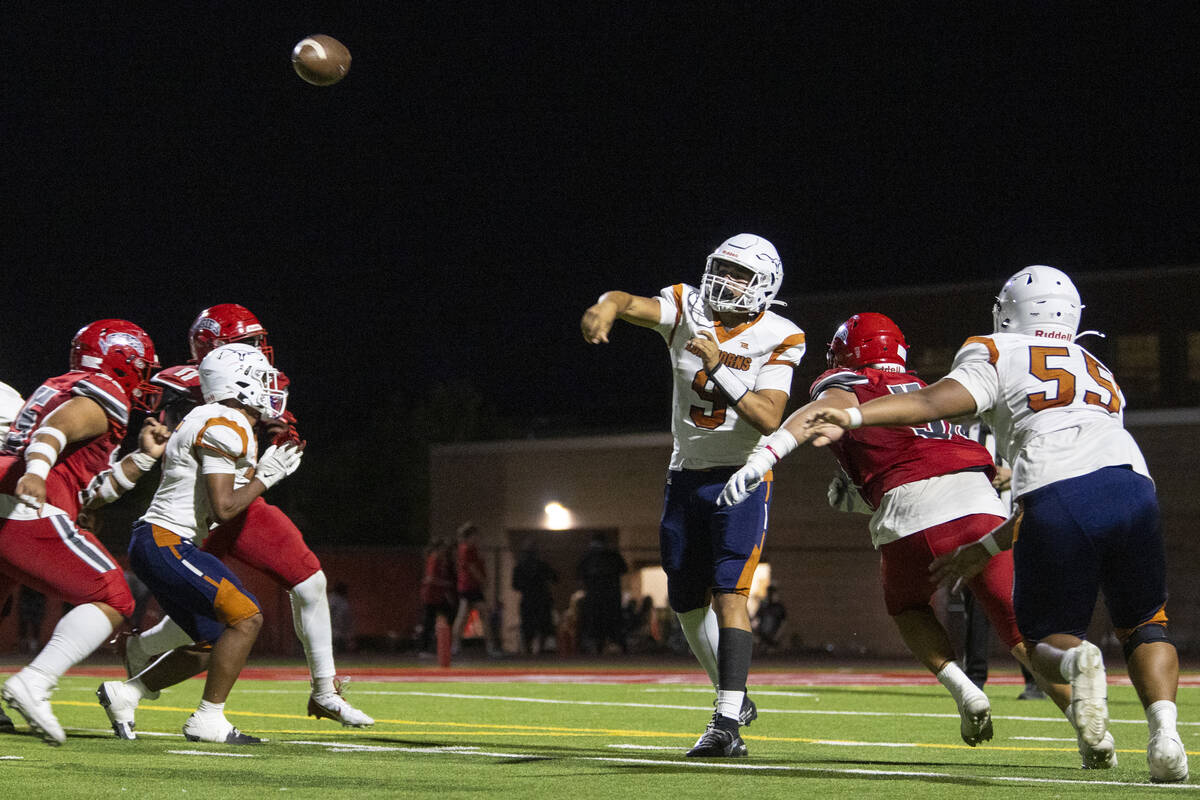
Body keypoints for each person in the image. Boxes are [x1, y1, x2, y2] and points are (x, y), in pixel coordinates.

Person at [788, 267, 1187, 783]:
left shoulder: (995, 350)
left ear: (1010, 311)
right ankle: (1167, 737)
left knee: (1044, 636)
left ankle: (1074, 663)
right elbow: (1093, 464)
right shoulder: (1097, 368)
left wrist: (857, 418)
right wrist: (989, 543)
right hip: (1134, 483)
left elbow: (932, 402)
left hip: (1051, 486)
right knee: (1145, 623)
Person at [720, 312, 1081, 753]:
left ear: (850, 351)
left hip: (913, 508)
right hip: (980, 501)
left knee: (908, 606)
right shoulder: (921, 388)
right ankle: (1087, 726)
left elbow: (815, 414)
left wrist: (764, 457)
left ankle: (964, 690)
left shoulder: (846, 380)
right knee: (1019, 631)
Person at [581, 233, 806, 757]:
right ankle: (735, 698)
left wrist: (721, 367)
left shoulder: (781, 333)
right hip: (685, 473)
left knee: (730, 592)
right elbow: (630, 301)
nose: (726, 282)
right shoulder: (687, 305)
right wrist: (605, 307)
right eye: (722, 268)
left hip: (742, 475)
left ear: (766, 284)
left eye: (741, 275)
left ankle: (726, 722)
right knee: (684, 601)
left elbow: (770, 417)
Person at [110, 304, 372, 728]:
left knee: (306, 582)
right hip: (210, 504)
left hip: (237, 499)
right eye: (247, 344)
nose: (258, 352)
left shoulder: (252, 384)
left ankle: (325, 690)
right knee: (226, 615)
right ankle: (164, 673)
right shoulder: (187, 388)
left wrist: (280, 438)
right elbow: (169, 440)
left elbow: (284, 430)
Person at [97, 343, 303, 744]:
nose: (269, 387)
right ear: (238, 383)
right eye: (261, 378)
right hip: (167, 540)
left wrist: (259, 472)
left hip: (159, 541)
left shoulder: (209, 416)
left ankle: (128, 693)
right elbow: (225, 507)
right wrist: (267, 478)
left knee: (215, 640)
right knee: (248, 618)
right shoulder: (226, 422)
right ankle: (208, 719)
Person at [0, 319, 169, 745]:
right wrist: (36, 473)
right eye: (141, 367)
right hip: (21, 500)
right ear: (122, 362)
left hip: (10, 494)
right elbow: (52, 432)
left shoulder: (62, 385)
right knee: (113, 595)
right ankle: (35, 682)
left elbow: (88, 490)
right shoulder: (104, 391)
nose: (144, 379)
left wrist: (143, 459)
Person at [451, 522, 499, 657]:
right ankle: (456, 645)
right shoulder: (467, 549)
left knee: (471, 615)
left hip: (471, 586)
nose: (477, 538)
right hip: (469, 587)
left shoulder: (469, 549)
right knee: (469, 616)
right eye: (475, 536)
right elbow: (472, 568)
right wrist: (483, 581)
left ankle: (456, 645)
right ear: (470, 536)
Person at [576, 533, 628, 655]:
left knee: (596, 622)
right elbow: (624, 569)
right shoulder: (612, 555)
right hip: (611, 597)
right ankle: (615, 646)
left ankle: (599, 646)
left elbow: (578, 573)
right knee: (612, 622)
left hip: (594, 596)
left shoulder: (588, 556)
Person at [511, 541, 557, 655]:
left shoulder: (520, 566)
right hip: (542, 598)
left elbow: (515, 585)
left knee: (527, 626)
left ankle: (528, 650)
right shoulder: (542, 565)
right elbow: (555, 577)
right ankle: (540, 649)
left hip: (527, 599)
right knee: (543, 625)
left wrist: (526, 586)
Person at [418, 538, 456, 655]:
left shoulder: (440, 560)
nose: (444, 551)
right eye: (443, 548)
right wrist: (445, 583)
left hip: (438, 596)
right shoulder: (434, 559)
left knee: (447, 615)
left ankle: (439, 643)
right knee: (428, 621)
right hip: (431, 595)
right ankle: (423, 649)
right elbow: (431, 578)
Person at [752, 585, 787, 652]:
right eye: (769, 593)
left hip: (774, 636)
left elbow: (783, 623)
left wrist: (778, 635)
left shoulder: (779, 607)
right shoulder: (764, 606)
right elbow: (755, 619)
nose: (770, 596)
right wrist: (755, 633)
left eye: (772, 593)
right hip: (763, 636)